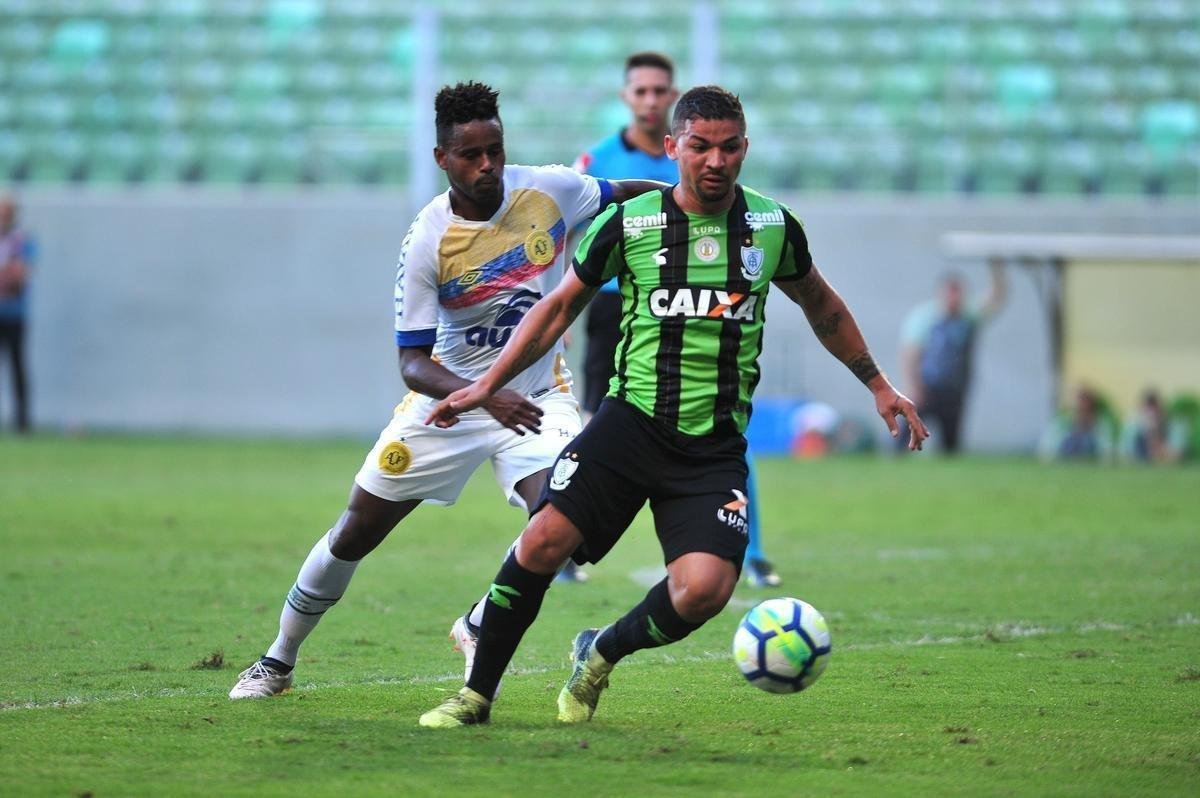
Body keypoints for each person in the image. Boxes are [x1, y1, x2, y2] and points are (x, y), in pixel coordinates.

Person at [418, 86, 928, 728]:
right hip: (629, 427)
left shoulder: (772, 228)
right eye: (701, 146)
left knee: (704, 592)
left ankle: (600, 653)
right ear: (673, 147)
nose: (716, 160)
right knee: (544, 539)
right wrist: (489, 383)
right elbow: (556, 311)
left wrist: (879, 384)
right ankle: (476, 695)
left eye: (730, 146)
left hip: (712, 448)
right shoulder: (630, 223)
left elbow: (823, 306)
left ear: (745, 149)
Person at [228, 82, 666, 699]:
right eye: (471, 155)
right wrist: (486, 394)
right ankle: (278, 659)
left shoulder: (550, 190)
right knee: (356, 531)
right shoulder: (428, 239)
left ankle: (479, 624)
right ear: (443, 158)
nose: (487, 164)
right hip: (450, 405)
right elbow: (411, 363)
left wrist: (685, 203)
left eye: (495, 149)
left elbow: (628, 195)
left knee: (567, 527)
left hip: (541, 397)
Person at [573, 51, 780, 588]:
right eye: (640, 91)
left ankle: (750, 548)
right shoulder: (595, 162)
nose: (650, 100)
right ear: (626, 97)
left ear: (672, 96)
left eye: (659, 90)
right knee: (597, 422)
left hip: (694, 300)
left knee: (721, 421)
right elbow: (570, 236)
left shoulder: (696, 154)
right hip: (615, 306)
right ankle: (569, 546)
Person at [898, 259, 1006, 454]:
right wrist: (913, 387)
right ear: (941, 293)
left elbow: (996, 298)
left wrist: (996, 268)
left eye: (958, 292)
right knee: (906, 434)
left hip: (954, 391)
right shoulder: (925, 318)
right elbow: (910, 355)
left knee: (950, 445)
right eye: (950, 291)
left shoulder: (968, 316)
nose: (954, 297)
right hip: (927, 388)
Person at [0, 194, 34, 433]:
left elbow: (21, 275)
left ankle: (22, 422)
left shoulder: (21, 240)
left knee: (17, 366)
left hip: (15, 313)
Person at [1038, 385, 1116, 462]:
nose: (1082, 409)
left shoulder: (1100, 424)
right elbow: (1047, 448)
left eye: (1085, 406)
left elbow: (1106, 451)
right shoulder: (1062, 422)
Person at [1119, 389, 1188, 463]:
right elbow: (1125, 455)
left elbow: (1175, 456)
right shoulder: (1133, 426)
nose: (1152, 416)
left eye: (1155, 412)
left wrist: (1154, 436)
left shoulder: (1175, 425)